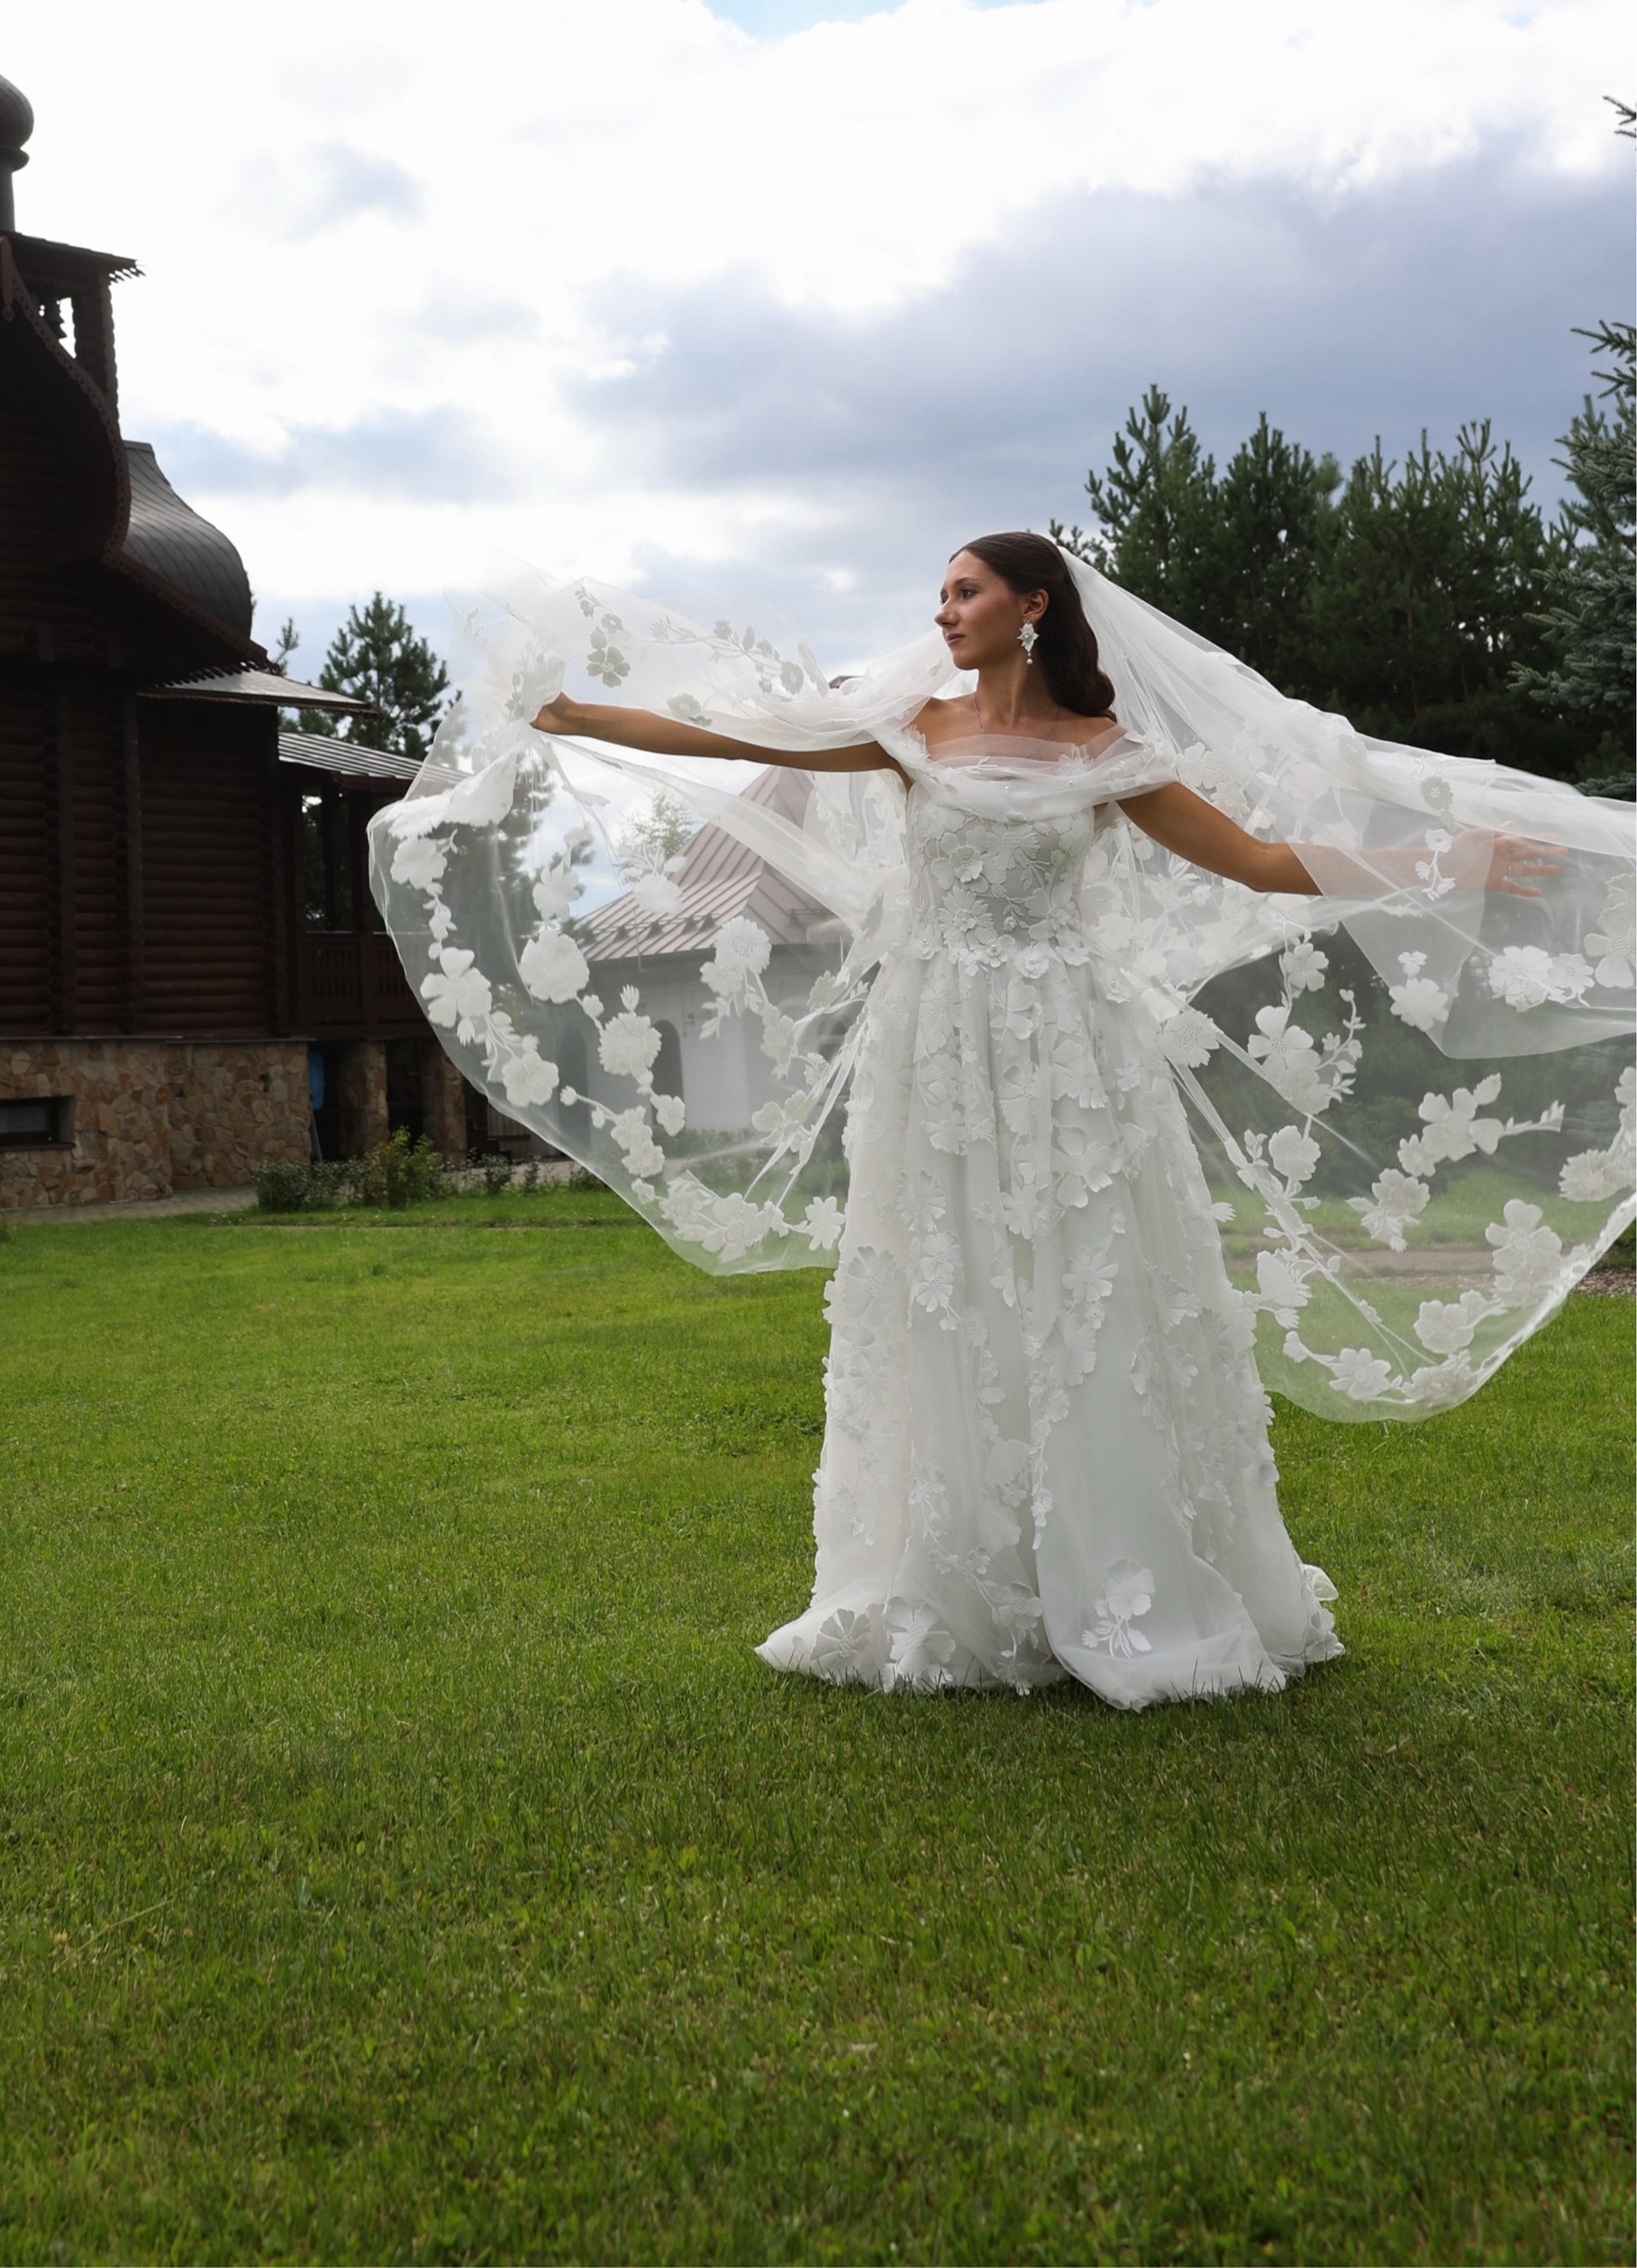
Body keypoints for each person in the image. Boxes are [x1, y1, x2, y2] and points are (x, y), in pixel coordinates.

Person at [369, 533, 1634, 1712]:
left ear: (1034, 607)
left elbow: (1255, 862)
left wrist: (1445, 865)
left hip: (1075, 1048)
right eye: (941, 594)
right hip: (935, 1048)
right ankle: (955, 1582)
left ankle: (1123, 1576)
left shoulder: (1105, 753)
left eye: (967, 590)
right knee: (951, 1289)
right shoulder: (909, 732)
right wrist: (582, 715)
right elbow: (752, 736)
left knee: (1087, 1287)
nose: (943, 611)